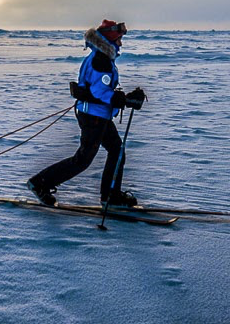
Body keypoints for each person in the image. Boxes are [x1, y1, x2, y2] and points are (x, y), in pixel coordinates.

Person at [26, 19, 147, 207]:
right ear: (110, 39)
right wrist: (124, 100)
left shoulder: (101, 56)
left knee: (116, 150)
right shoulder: (101, 60)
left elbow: (99, 90)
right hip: (94, 117)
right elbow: (100, 92)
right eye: (119, 39)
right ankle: (40, 183)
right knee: (83, 160)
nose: (121, 43)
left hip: (98, 114)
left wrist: (124, 98)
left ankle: (111, 195)